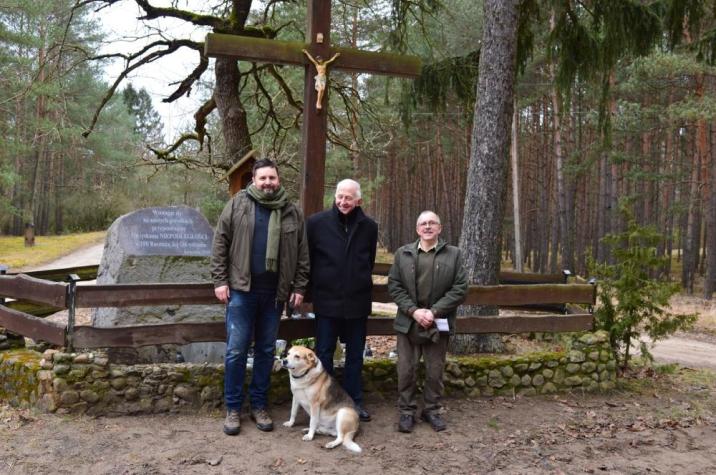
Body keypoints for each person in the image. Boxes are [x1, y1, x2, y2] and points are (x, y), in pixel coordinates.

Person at [211, 158, 309, 436]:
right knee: (236, 351)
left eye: (272, 178)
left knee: (267, 351)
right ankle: (233, 408)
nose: (267, 183)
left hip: (274, 295)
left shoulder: (292, 212)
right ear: (253, 180)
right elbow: (220, 243)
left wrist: (299, 287)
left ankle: (259, 405)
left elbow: (302, 253)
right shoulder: (238, 205)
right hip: (242, 291)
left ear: (279, 180)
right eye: (262, 178)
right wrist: (220, 280)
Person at [388, 211, 468, 433]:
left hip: (437, 322)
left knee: (435, 371)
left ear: (440, 228)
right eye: (423, 223)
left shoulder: (454, 254)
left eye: (432, 223)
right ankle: (406, 411)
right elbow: (394, 286)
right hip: (408, 322)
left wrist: (434, 312)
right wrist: (413, 311)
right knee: (406, 369)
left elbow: (460, 288)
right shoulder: (402, 254)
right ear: (417, 229)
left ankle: (431, 410)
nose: (428, 226)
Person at [307, 179, 378, 422]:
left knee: (355, 355)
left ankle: (353, 401)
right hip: (326, 301)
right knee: (324, 353)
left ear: (358, 200)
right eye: (340, 196)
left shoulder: (369, 227)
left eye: (348, 198)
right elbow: (309, 260)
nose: (343, 202)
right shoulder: (317, 223)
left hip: (357, 302)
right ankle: (324, 401)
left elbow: (368, 261)